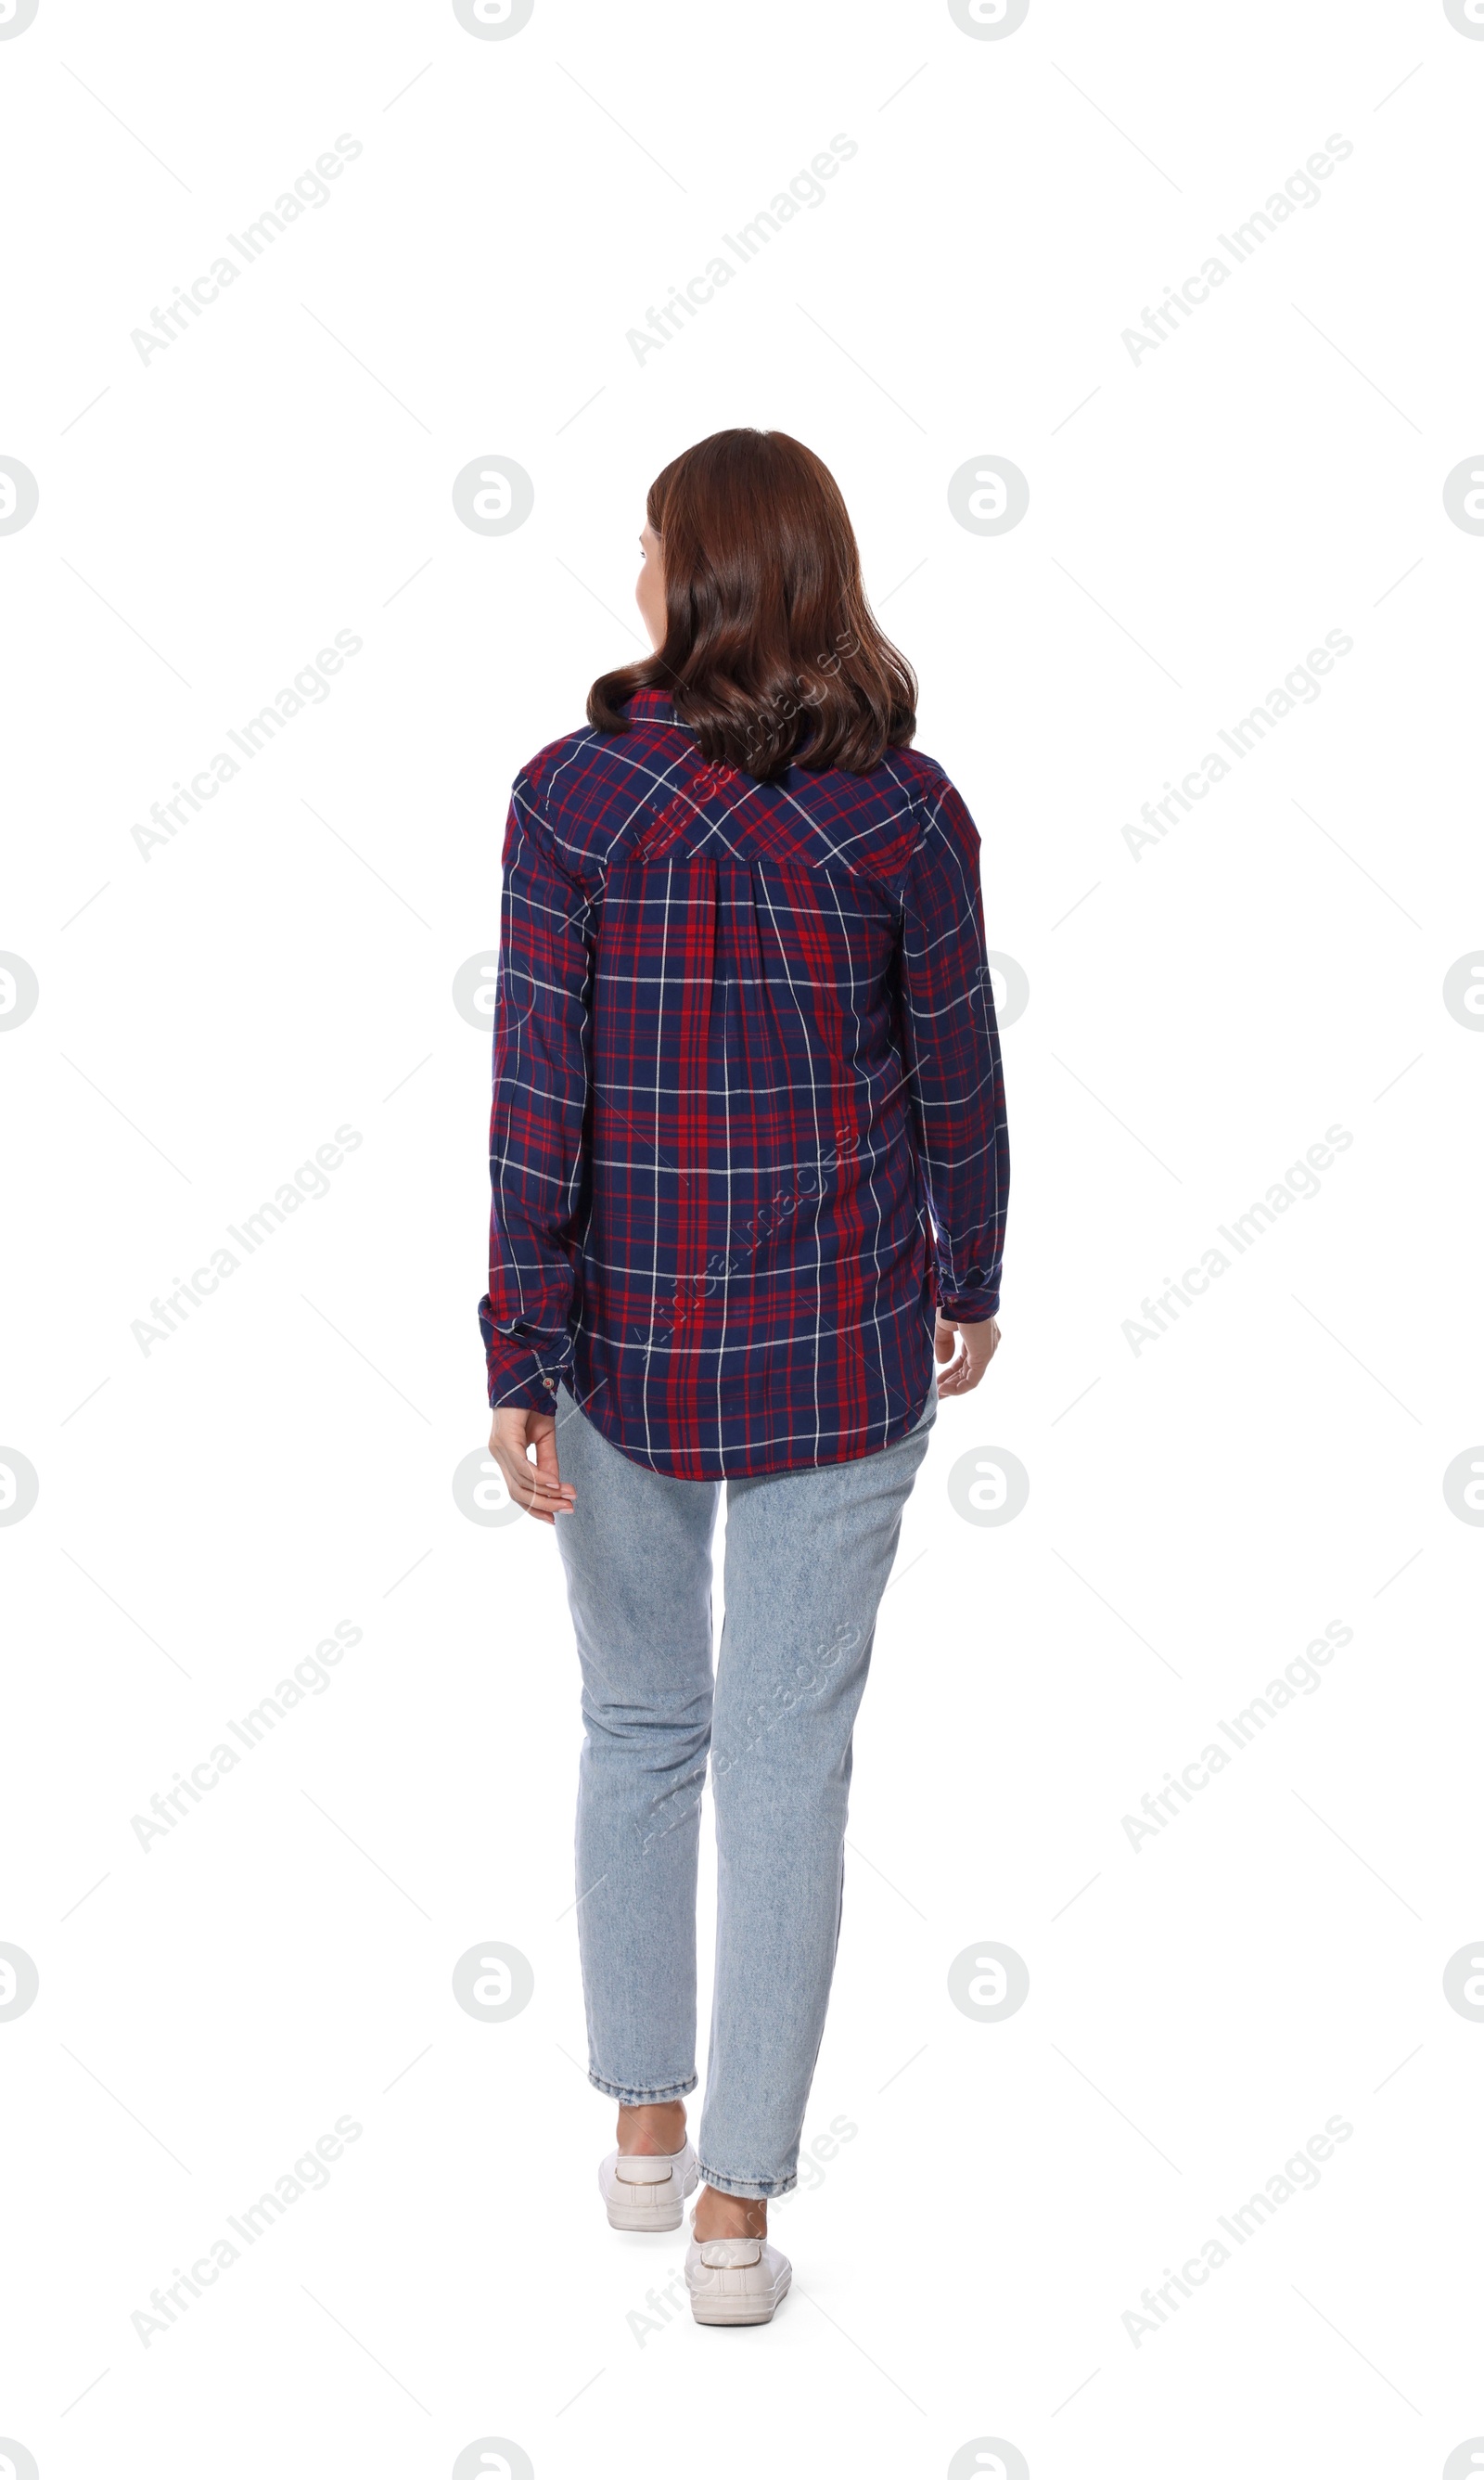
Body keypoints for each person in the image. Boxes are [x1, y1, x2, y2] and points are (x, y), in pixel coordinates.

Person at [480, 428, 1008, 2327]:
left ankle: (642, 2120)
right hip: (843, 1336)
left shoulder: (570, 801)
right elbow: (954, 1073)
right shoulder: (904, 815)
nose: (631, 577)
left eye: (646, 551)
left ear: (697, 580)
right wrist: (974, 1271)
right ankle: (728, 2220)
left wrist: (514, 1347)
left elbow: (533, 1101)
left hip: (615, 1341)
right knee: (784, 1757)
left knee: (639, 1726)